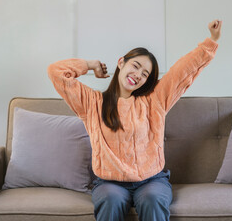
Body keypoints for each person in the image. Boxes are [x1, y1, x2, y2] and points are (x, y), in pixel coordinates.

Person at [47, 19, 222, 221]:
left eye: (145, 74)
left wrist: (212, 41)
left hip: (151, 181)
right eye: (135, 66)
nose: (138, 75)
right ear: (121, 62)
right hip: (109, 183)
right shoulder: (92, 102)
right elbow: (56, 72)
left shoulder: (154, 100)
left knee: (152, 199)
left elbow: (183, 71)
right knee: (111, 200)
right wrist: (90, 64)